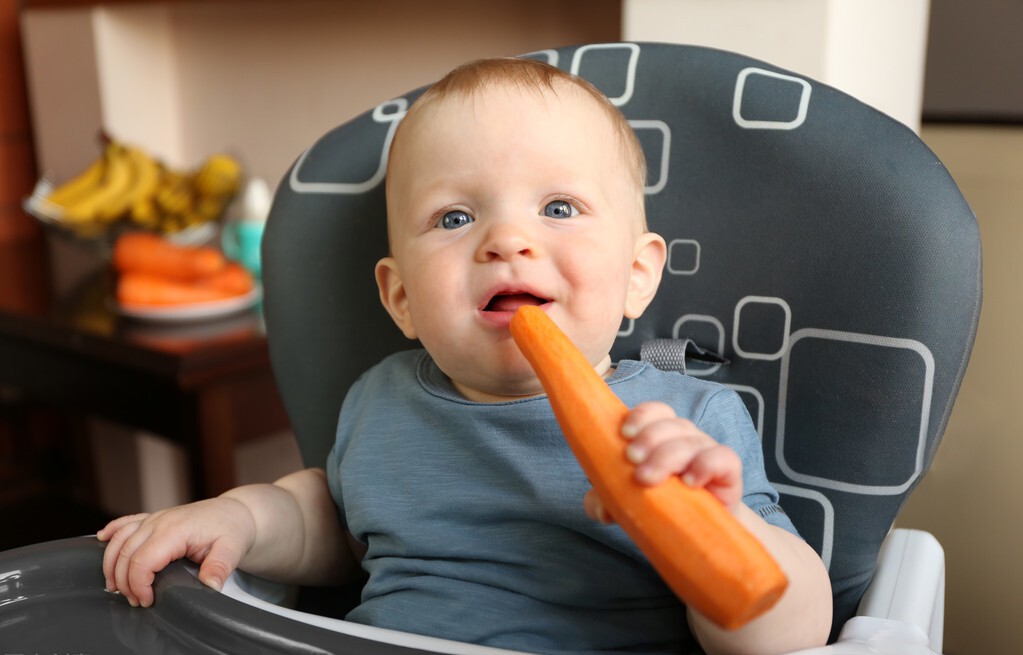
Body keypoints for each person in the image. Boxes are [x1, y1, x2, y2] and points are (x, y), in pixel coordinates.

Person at [99, 57, 832, 655]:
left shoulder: (687, 423)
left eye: (558, 208)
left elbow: (791, 631)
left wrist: (716, 522)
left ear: (637, 275)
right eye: (455, 216)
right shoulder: (379, 399)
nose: (506, 239)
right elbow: (333, 527)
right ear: (401, 299)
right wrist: (242, 520)